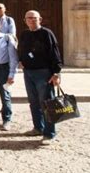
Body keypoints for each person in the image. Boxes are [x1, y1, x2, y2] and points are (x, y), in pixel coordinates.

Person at [18, 10, 62, 145]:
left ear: (40, 19)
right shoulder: (24, 34)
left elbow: (54, 53)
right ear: (25, 20)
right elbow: (21, 49)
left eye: (34, 18)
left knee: (47, 103)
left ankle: (49, 133)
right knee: (34, 102)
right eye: (28, 18)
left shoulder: (47, 33)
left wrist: (56, 73)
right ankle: (38, 127)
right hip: (28, 73)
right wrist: (21, 60)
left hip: (44, 73)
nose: (31, 20)